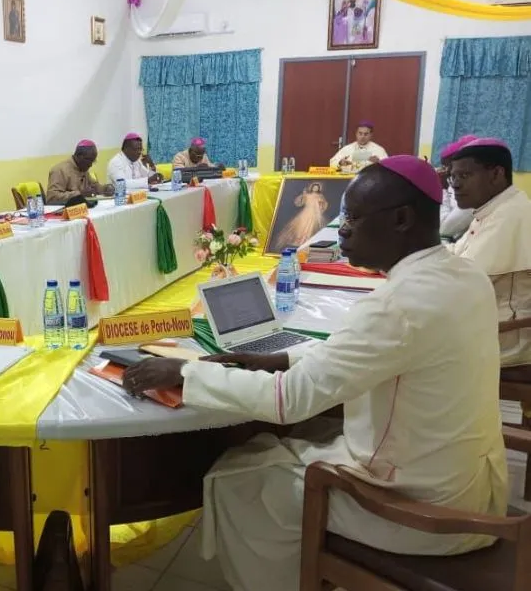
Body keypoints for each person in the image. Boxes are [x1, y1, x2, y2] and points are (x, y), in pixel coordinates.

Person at [123, 156, 507, 591]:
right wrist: (282, 358)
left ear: (401, 219)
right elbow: (367, 351)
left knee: (237, 479)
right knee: (266, 455)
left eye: (353, 219)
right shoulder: (463, 273)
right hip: (472, 488)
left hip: (420, 513)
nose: (341, 230)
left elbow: (289, 402)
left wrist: (184, 371)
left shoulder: (397, 304)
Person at [448, 137, 531, 369]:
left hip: (506, 339)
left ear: (496, 174)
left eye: (464, 176)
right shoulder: (494, 209)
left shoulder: (511, 215)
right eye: (452, 176)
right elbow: (457, 252)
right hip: (488, 324)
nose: (454, 184)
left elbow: (464, 279)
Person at [46, 140, 114, 205]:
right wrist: (79, 194)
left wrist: (105, 189)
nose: (90, 165)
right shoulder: (59, 170)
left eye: (93, 161)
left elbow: (95, 186)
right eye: (89, 160)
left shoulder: (83, 168)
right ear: (78, 156)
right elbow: (51, 198)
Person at [272, 181, 329, 252]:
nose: (315, 188)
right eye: (314, 187)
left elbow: (323, 204)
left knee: (312, 227)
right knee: (302, 226)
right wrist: (303, 195)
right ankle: (300, 240)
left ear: (318, 189)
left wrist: (320, 206)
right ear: (312, 188)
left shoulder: (320, 196)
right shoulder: (307, 195)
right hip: (306, 211)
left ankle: (308, 241)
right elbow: (299, 203)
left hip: (315, 213)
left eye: (317, 188)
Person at [437, 135, 475, 239]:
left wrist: (442, 190)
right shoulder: (455, 183)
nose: (445, 171)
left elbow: (444, 229)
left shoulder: (475, 195)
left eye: (447, 166)